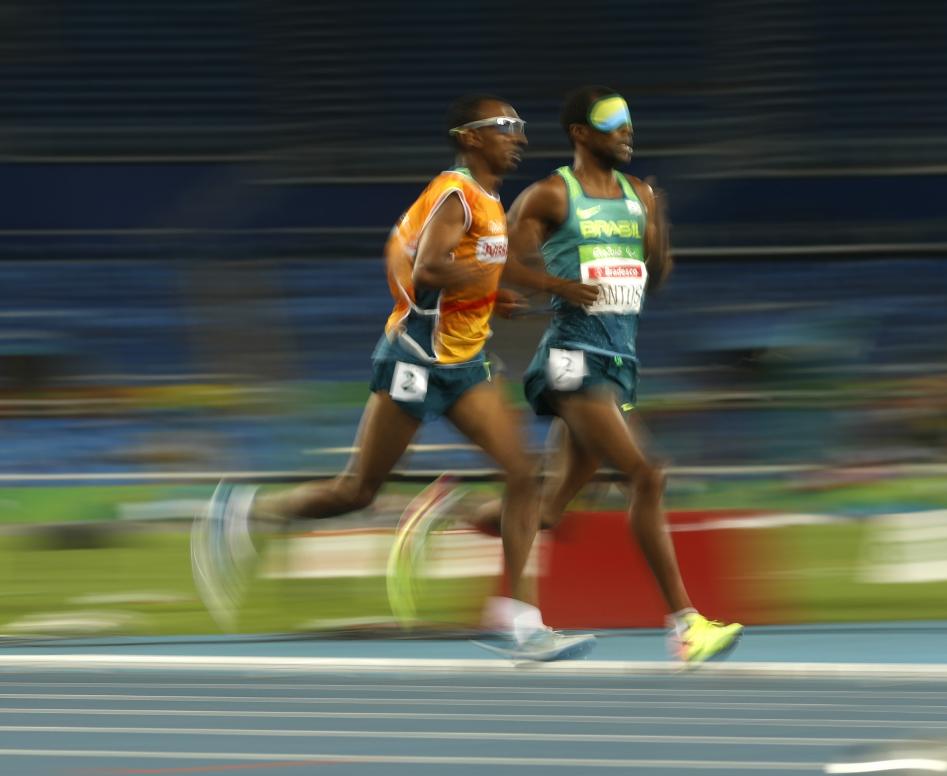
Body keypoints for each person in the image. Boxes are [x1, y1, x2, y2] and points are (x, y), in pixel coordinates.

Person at [190, 94, 599, 661]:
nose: (520, 137)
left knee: (524, 476)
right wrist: (494, 272)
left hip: (466, 363)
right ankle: (244, 511)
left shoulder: (486, 195)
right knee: (357, 491)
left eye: (521, 127)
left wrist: (490, 297)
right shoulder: (455, 194)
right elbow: (430, 268)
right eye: (506, 127)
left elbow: (448, 276)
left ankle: (522, 623)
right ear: (470, 136)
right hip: (415, 361)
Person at [468, 86, 743, 662]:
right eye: (611, 121)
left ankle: (459, 516)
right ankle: (685, 626)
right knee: (647, 473)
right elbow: (505, 267)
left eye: (628, 121)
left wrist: (658, 219)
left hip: (620, 360)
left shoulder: (641, 194)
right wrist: (554, 287)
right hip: (572, 358)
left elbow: (654, 277)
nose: (626, 130)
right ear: (580, 133)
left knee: (548, 507)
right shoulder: (550, 196)